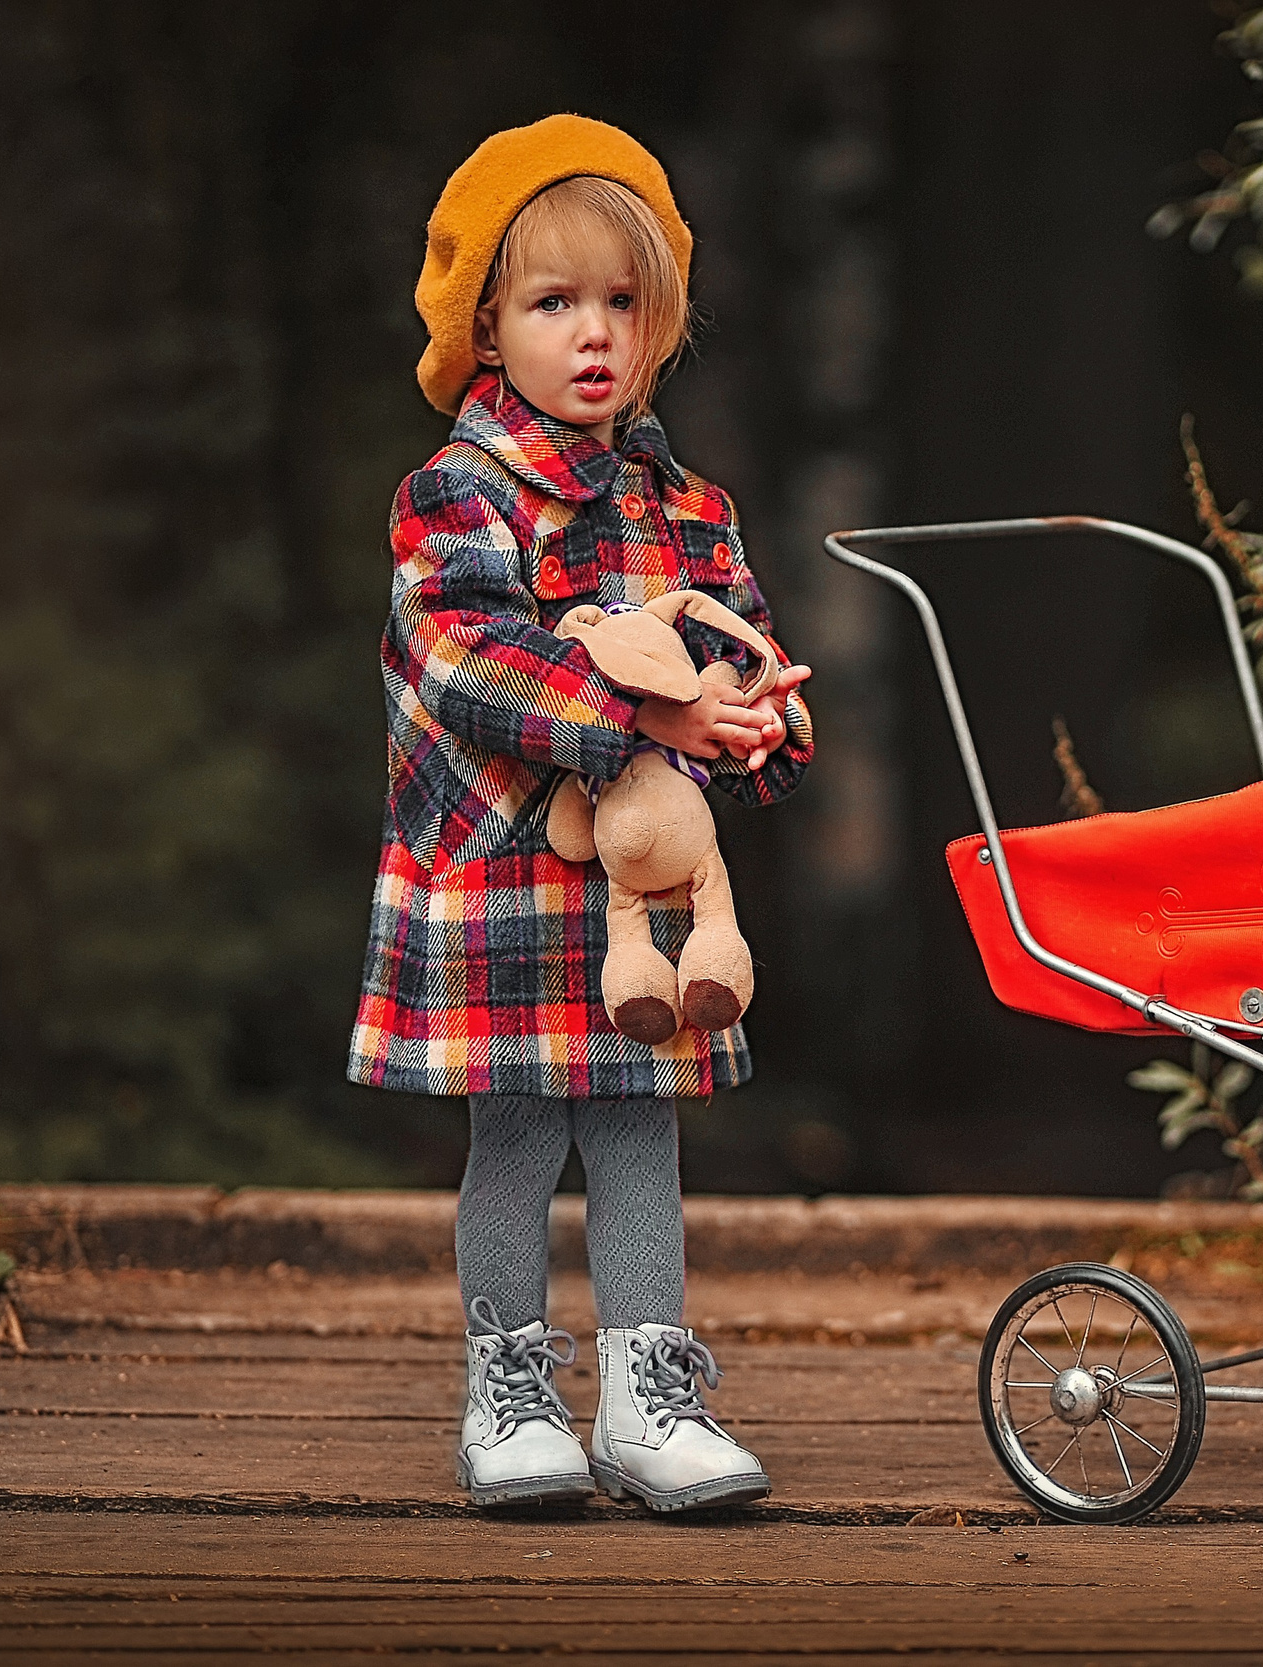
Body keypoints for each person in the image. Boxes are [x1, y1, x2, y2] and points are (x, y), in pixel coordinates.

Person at [347, 115, 812, 1511]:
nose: (594, 333)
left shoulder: (693, 509)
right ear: (489, 324)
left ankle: (645, 1402)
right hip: (500, 876)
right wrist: (649, 713)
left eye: (625, 303)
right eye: (556, 302)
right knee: (517, 1137)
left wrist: (753, 717)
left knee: (636, 1134)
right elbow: (474, 663)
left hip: (640, 902)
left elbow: (743, 654)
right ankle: (508, 1392)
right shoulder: (457, 496)